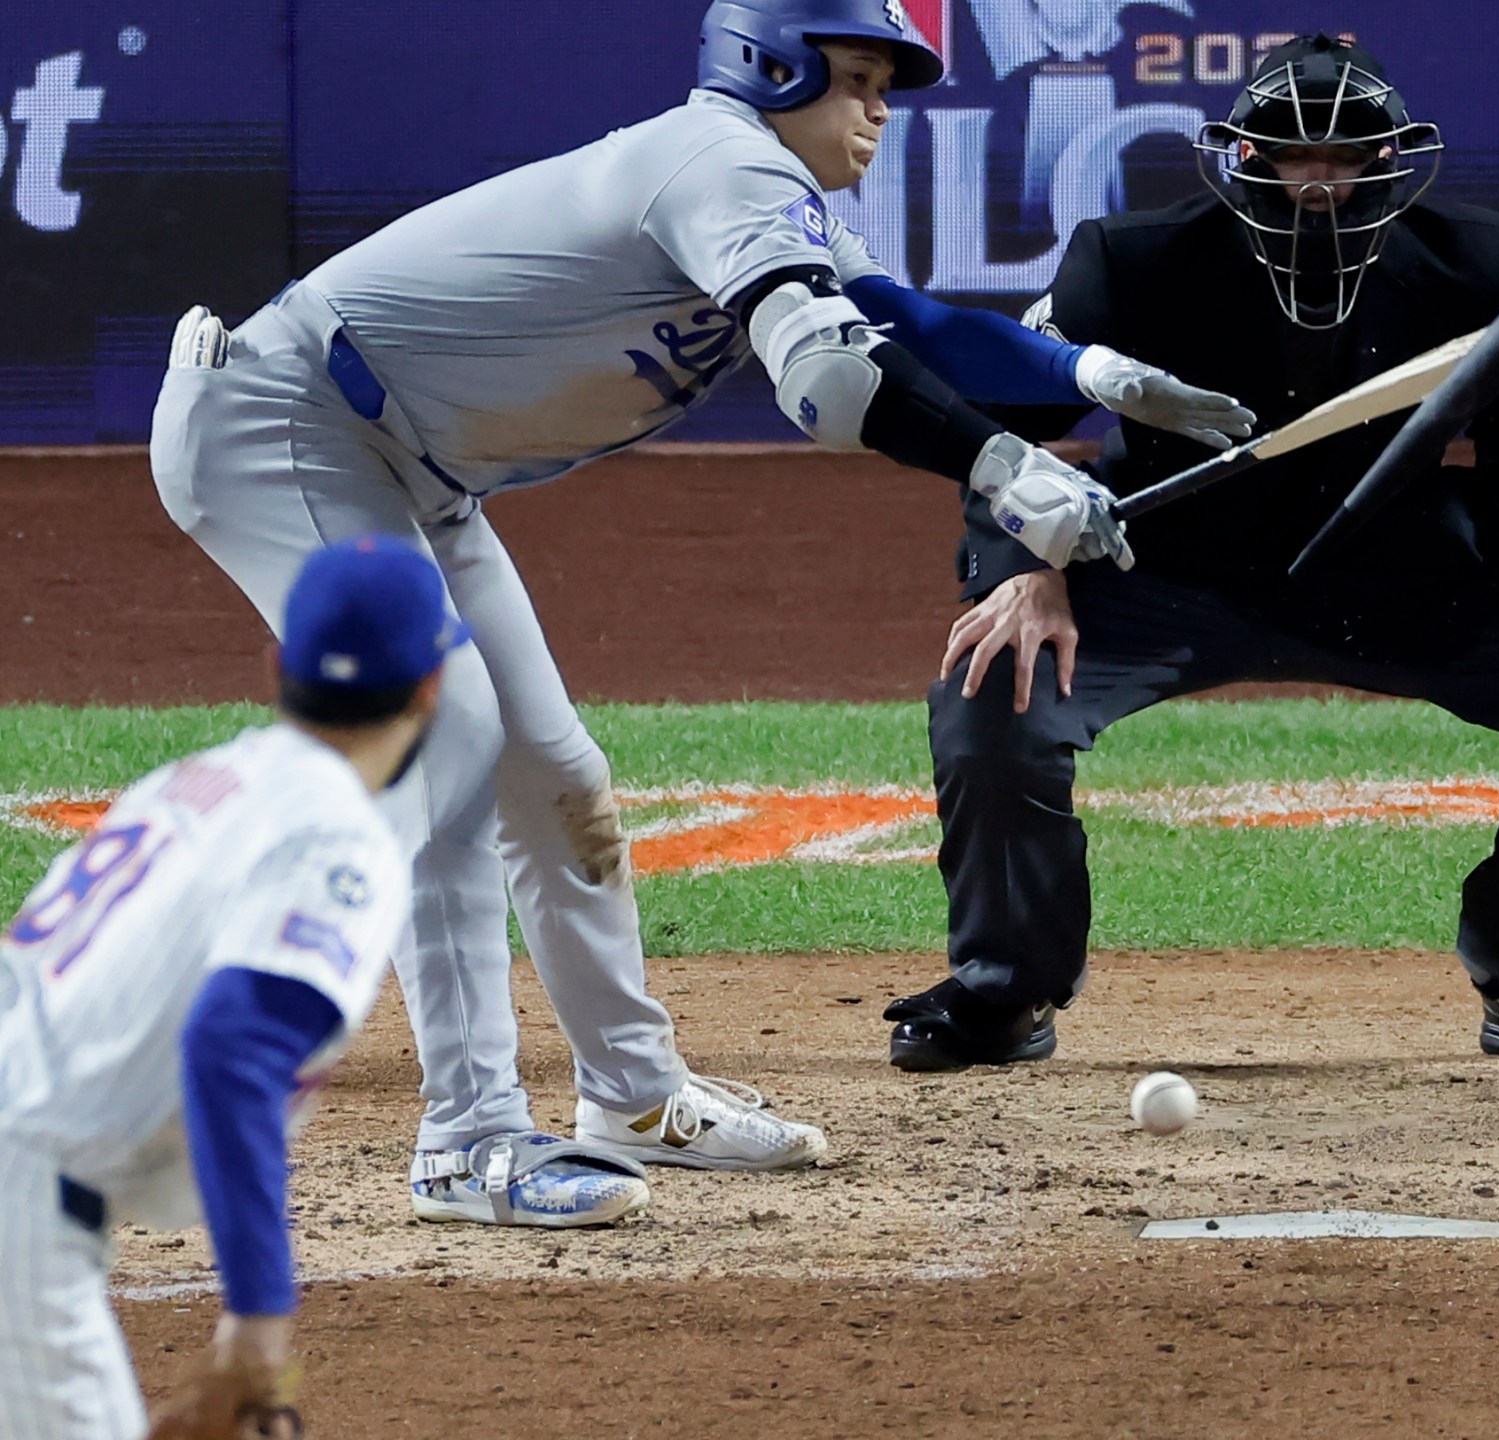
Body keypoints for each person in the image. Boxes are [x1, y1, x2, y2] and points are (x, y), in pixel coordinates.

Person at [148, 0, 1251, 1226]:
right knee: (449, 757)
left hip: (410, 470)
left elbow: (912, 330)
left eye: (887, 82)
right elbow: (832, 388)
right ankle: (467, 1142)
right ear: (770, 68)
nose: (879, 107)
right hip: (287, 427)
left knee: (553, 774)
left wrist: (1090, 377)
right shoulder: (720, 158)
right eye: (856, 78)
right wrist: (1005, 470)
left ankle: (632, 1095)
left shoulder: (770, 194)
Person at [882, 34, 1499, 1071]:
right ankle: (1003, 992)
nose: (1317, 185)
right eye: (1290, 158)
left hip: (1397, 566)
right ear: (1239, 159)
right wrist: (1024, 567)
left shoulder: (1482, 260)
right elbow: (1005, 431)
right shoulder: (1130, 261)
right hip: (1167, 565)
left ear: (1393, 161)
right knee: (995, 684)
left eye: (1345, 159)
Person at [0, 539, 521, 1438]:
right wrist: (258, 1319)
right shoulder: (339, 840)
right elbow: (231, 1045)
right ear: (431, 689)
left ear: (278, 666)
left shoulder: (190, 785)